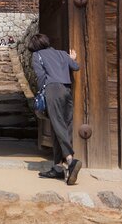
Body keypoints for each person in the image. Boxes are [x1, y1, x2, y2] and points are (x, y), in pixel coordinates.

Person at [28, 33, 81, 185]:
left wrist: (41, 94)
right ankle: (58, 168)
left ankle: (70, 160)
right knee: (62, 126)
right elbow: (76, 67)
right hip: (66, 90)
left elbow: (40, 76)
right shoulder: (62, 54)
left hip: (52, 90)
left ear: (35, 47)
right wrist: (72, 58)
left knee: (58, 126)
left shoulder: (37, 55)